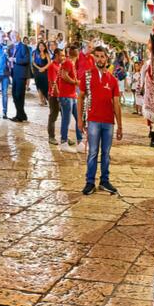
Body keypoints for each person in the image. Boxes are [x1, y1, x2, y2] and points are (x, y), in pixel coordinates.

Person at [78, 44, 123, 194]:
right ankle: (89, 182)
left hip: (108, 122)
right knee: (92, 152)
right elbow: (81, 97)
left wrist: (120, 126)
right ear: (93, 58)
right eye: (96, 56)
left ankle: (105, 181)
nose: (99, 59)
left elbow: (116, 103)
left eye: (102, 56)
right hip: (93, 120)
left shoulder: (112, 80)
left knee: (106, 153)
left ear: (106, 58)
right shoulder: (87, 75)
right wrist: (79, 119)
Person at [58, 45, 83, 152]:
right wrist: (75, 82)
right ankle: (63, 142)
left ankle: (80, 142)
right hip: (66, 95)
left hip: (72, 95)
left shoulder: (71, 63)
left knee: (78, 118)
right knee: (66, 119)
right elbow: (64, 75)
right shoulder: (68, 62)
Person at [9, 31, 30, 122]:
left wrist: (15, 59)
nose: (13, 37)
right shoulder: (12, 47)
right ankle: (21, 114)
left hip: (21, 74)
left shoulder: (23, 47)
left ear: (18, 36)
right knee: (15, 95)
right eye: (11, 36)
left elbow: (26, 59)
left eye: (14, 35)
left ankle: (20, 115)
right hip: (15, 74)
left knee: (19, 95)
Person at [46, 47, 63, 145]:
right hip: (54, 95)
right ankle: (51, 137)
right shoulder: (52, 66)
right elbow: (53, 82)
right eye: (62, 55)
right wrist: (58, 95)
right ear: (56, 55)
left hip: (61, 95)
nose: (63, 57)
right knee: (53, 115)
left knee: (64, 116)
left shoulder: (60, 65)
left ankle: (63, 137)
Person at [32, 40, 51, 104]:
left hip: (45, 71)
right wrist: (39, 68)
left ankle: (46, 98)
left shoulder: (46, 53)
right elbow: (33, 62)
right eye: (40, 46)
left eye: (42, 46)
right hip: (37, 71)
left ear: (45, 47)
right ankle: (41, 100)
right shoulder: (35, 53)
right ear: (38, 46)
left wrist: (44, 68)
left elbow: (49, 62)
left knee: (45, 86)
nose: (41, 47)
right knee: (39, 86)